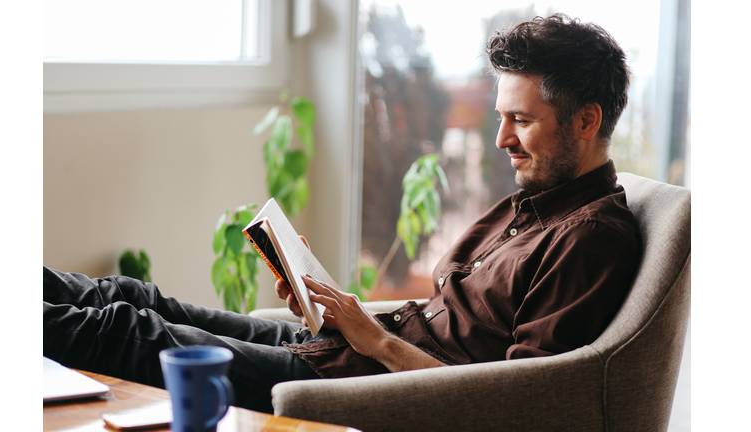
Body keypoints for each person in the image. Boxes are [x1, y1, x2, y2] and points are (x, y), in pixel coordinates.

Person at [43, 13, 640, 414]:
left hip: (363, 388)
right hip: (347, 352)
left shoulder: (590, 239)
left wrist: (374, 341)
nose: (501, 139)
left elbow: (505, 405)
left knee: (123, 330)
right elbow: (443, 323)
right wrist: (325, 303)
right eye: (503, 117)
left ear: (586, 121)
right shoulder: (534, 203)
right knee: (130, 297)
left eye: (523, 121)